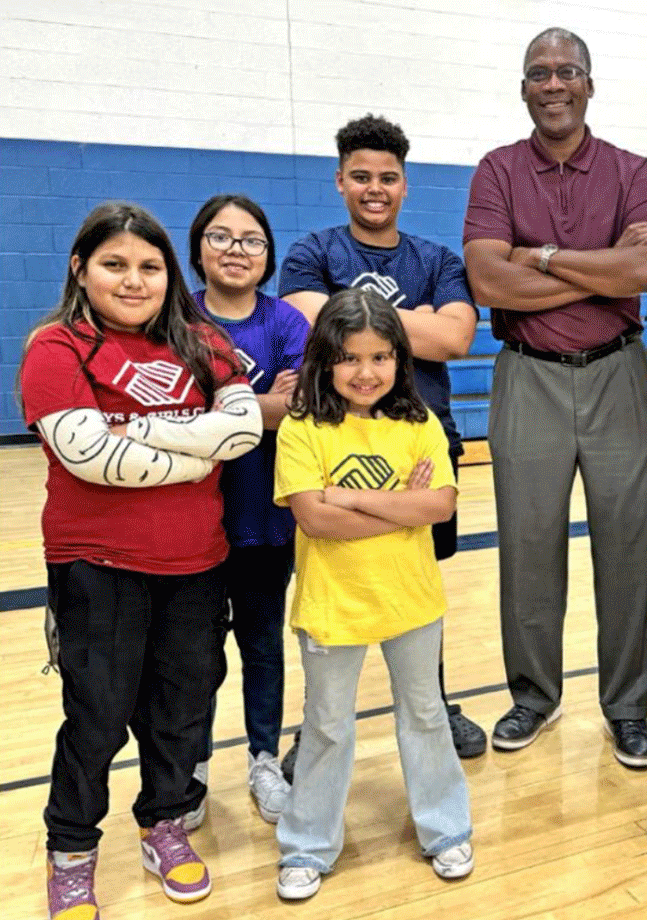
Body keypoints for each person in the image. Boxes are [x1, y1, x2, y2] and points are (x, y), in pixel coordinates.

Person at [22, 202, 263, 919]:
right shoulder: (55, 347)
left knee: (182, 710)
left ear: (170, 274)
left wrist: (141, 432)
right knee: (96, 717)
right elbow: (89, 456)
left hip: (196, 563)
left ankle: (165, 823)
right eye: (115, 265)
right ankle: (72, 853)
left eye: (149, 267)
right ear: (81, 269)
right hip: (97, 565)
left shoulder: (203, 340)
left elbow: (244, 430)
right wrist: (196, 450)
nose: (134, 281)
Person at [463, 27, 647, 767]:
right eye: (539, 73)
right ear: (524, 88)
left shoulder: (631, 171)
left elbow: (646, 272)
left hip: (618, 373)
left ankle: (628, 707)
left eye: (567, 71)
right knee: (526, 543)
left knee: (629, 546)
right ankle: (534, 696)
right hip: (529, 374)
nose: (554, 84)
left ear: (589, 83)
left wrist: (544, 258)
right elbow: (488, 281)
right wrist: (601, 271)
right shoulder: (497, 170)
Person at [278, 113, 486, 760]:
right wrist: (412, 321)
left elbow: (455, 339)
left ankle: (433, 707)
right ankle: (317, 727)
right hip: (331, 440)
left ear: (405, 184)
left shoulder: (438, 259)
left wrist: (351, 313)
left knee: (417, 577)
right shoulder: (311, 252)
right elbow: (314, 331)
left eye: (388, 178)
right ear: (340, 181)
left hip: (423, 440)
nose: (375, 188)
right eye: (361, 176)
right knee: (333, 579)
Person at [273, 288, 473, 900]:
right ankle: (307, 844)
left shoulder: (419, 423)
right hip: (332, 606)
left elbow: (439, 506)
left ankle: (446, 827)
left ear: (399, 360)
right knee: (327, 726)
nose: (366, 372)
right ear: (325, 361)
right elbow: (315, 519)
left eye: (380, 357)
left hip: (411, 601)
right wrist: (399, 508)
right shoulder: (302, 428)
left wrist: (351, 496)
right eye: (350, 358)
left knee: (426, 715)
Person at [187, 194, 311, 822]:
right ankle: (190, 764)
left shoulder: (285, 321)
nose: (236, 250)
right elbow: (169, 411)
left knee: (262, 646)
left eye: (251, 239)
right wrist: (258, 406)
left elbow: (302, 404)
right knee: (195, 654)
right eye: (221, 236)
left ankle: (264, 758)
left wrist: (213, 407)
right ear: (197, 247)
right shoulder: (175, 319)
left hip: (265, 517)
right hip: (191, 523)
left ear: (267, 253)